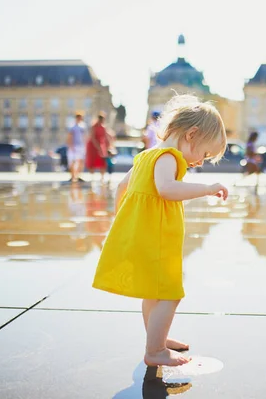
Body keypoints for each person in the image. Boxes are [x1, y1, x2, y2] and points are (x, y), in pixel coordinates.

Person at [92, 94, 228, 367]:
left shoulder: (146, 156)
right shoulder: (169, 157)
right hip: (156, 237)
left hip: (143, 233)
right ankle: (154, 350)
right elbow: (166, 189)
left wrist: (124, 221)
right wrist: (206, 189)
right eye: (204, 154)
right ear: (192, 134)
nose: (200, 162)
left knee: (152, 292)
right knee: (170, 293)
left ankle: (157, 338)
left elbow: (122, 188)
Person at [86, 111, 110, 184]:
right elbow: (92, 138)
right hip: (92, 146)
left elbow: (106, 137)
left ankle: (102, 177)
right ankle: (92, 177)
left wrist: (108, 145)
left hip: (100, 145)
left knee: (102, 162)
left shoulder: (103, 127)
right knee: (92, 162)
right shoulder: (94, 126)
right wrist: (98, 147)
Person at [67, 111, 87, 183]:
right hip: (74, 146)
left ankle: (78, 176)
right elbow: (70, 136)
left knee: (81, 161)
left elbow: (84, 137)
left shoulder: (83, 126)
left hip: (81, 146)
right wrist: (71, 145)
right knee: (72, 162)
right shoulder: (72, 126)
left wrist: (85, 146)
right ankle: (72, 176)